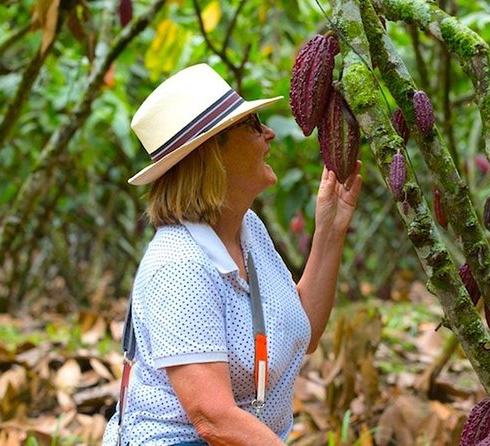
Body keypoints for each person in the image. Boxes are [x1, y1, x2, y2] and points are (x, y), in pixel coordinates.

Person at [102, 63, 362, 446]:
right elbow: (213, 419)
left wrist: (330, 228)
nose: (269, 133)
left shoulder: (248, 230)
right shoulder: (180, 265)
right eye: (253, 124)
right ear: (213, 154)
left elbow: (301, 330)